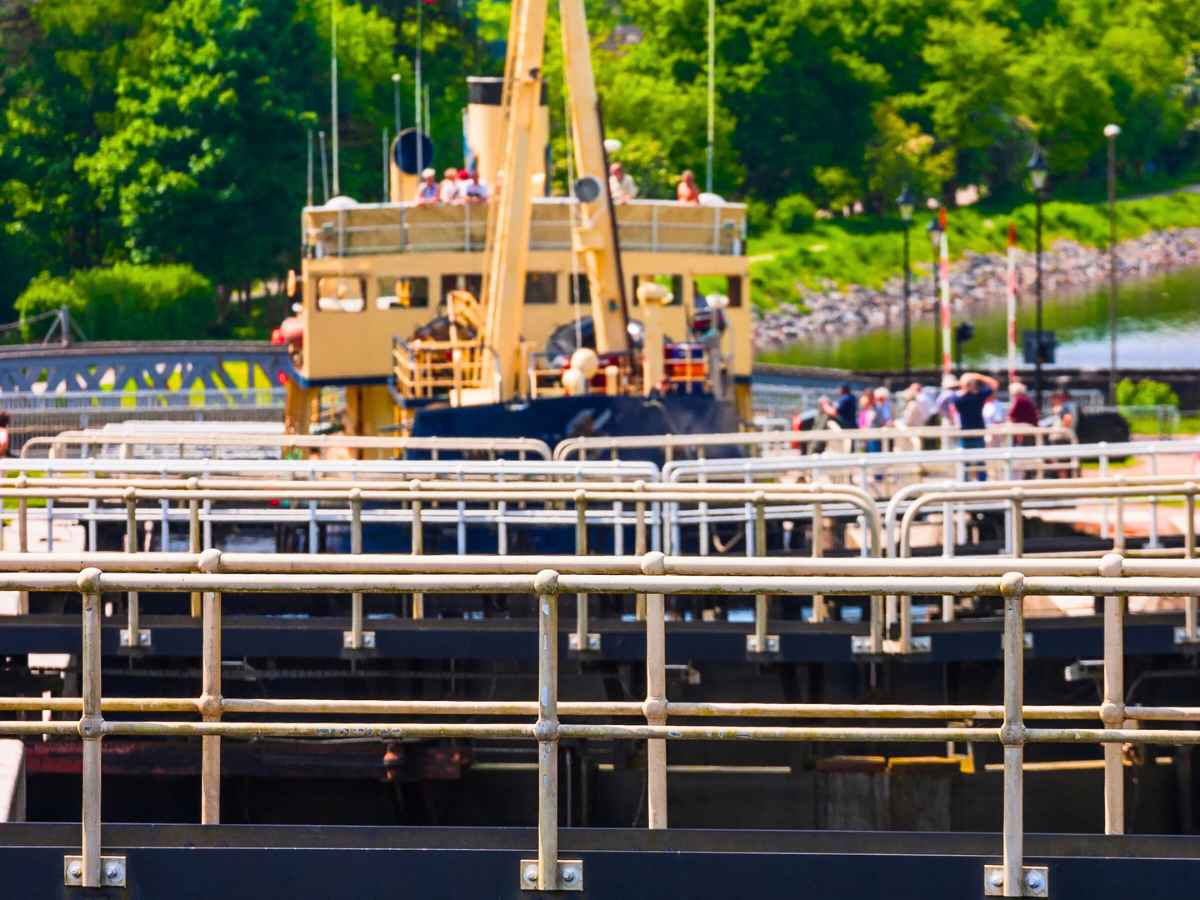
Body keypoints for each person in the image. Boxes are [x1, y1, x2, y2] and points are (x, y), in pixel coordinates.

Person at [953, 371, 1000, 480]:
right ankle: (982, 482)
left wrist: (964, 383)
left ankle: (964, 482)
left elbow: (957, 395)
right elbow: (994, 384)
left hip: (965, 433)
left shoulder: (958, 399)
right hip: (978, 432)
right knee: (980, 461)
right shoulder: (978, 396)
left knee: (965, 461)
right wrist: (979, 376)